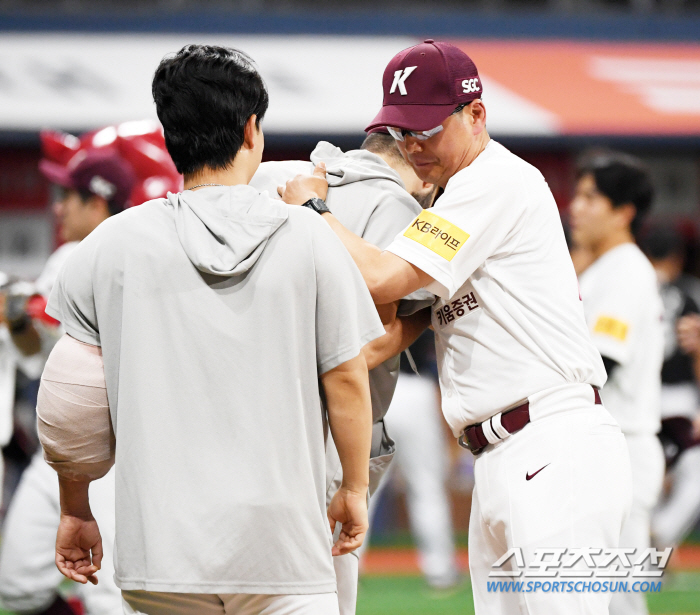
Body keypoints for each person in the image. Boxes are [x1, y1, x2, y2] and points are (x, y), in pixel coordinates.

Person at [279, 39, 632, 615]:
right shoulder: (450, 202)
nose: (413, 145)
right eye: (401, 132)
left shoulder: (495, 180)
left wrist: (315, 210)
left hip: (553, 443)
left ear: (475, 115)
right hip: (501, 454)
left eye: (426, 129)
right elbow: (381, 342)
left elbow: (384, 277)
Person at [37, 44, 392, 615]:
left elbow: (71, 401)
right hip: (284, 549)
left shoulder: (109, 244)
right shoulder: (310, 238)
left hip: (161, 548)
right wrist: (352, 488)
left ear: (169, 132)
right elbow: (347, 379)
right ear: (251, 129)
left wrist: (75, 508)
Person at [250, 130, 434, 613]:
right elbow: (362, 349)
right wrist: (424, 316)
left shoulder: (268, 174)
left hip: (239, 418)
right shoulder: (395, 203)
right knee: (319, 596)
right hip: (324, 429)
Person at [0, 142, 139, 615]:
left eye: (69, 196)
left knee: (109, 595)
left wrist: (31, 308)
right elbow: (34, 350)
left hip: (116, 450)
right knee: (17, 583)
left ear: (97, 202)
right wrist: (20, 318)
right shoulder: (66, 257)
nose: (58, 207)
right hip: (59, 447)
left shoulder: (133, 251)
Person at [570, 153, 664, 615]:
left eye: (591, 197)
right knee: (590, 594)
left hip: (622, 446)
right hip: (603, 445)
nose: (576, 206)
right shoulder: (604, 268)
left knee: (618, 597)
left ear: (624, 211)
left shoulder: (626, 267)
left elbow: (604, 361)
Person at [360, 329, 460, 591]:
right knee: (427, 487)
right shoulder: (420, 297)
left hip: (375, 392)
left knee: (362, 490)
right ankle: (440, 571)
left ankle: (347, 567)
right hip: (417, 391)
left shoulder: (371, 297)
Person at [641, 225, 700, 549]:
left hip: (638, 396)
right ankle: (661, 533)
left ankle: (646, 537)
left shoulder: (632, 286)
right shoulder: (690, 292)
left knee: (643, 474)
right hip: (680, 396)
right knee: (693, 475)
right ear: (677, 257)